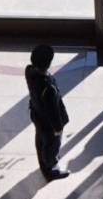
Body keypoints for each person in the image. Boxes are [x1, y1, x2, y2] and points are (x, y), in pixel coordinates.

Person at [25, 44, 70, 180]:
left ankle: (43, 163)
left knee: (40, 139)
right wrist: (58, 128)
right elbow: (53, 111)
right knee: (52, 144)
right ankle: (51, 169)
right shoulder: (48, 87)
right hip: (49, 123)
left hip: (37, 115)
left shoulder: (29, 70)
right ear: (48, 63)